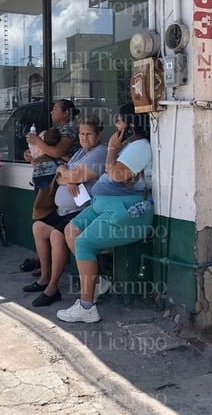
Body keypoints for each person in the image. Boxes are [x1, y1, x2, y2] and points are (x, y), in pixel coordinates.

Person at [56, 103, 152, 324]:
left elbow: (117, 174)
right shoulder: (128, 147)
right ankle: (96, 282)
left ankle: (87, 306)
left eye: (119, 122)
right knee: (72, 230)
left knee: (83, 244)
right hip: (103, 204)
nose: (116, 126)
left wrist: (111, 148)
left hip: (125, 210)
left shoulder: (139, 146)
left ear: (131, 126)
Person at [25, 116, 108, 307]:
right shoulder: (80, 152)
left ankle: (53, 289)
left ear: (99, 135)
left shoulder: (100, 152)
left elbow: (75, 174)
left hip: (82, 211)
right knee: (38, 226)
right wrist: (65, 173)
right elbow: (60, 176)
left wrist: (66, 172)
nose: (84, 138)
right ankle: (44, 278)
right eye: (81, 134)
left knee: (56, 235)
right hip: (63, 210)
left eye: (89, 134)